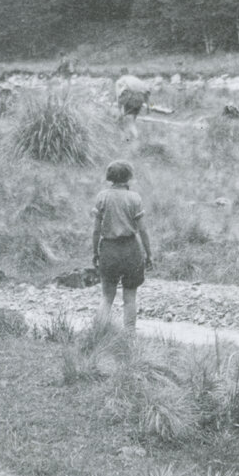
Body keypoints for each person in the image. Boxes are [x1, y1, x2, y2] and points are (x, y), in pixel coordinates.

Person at [92, 160, 153, 332]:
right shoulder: (134, 198)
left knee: (107, 297)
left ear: (109, 177)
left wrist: (95, 252)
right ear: (129, 177)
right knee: (130, 298)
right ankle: (129, 335)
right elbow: (143, 230)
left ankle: (99, 334)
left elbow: (96, 230)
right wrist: (149, 254)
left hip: (109, 249)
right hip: (131, 250)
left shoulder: (102, 197)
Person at [115, 72, 151, 140]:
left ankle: (135, 139)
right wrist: (148, 107)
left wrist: (119, 109)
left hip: (132, 99)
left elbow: (118, 95)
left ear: (120, 74)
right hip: (140, 99)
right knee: (130, 120)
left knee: (129, 122)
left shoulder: (120, 81)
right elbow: (147, 92)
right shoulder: (136, 79)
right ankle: (128, 138)